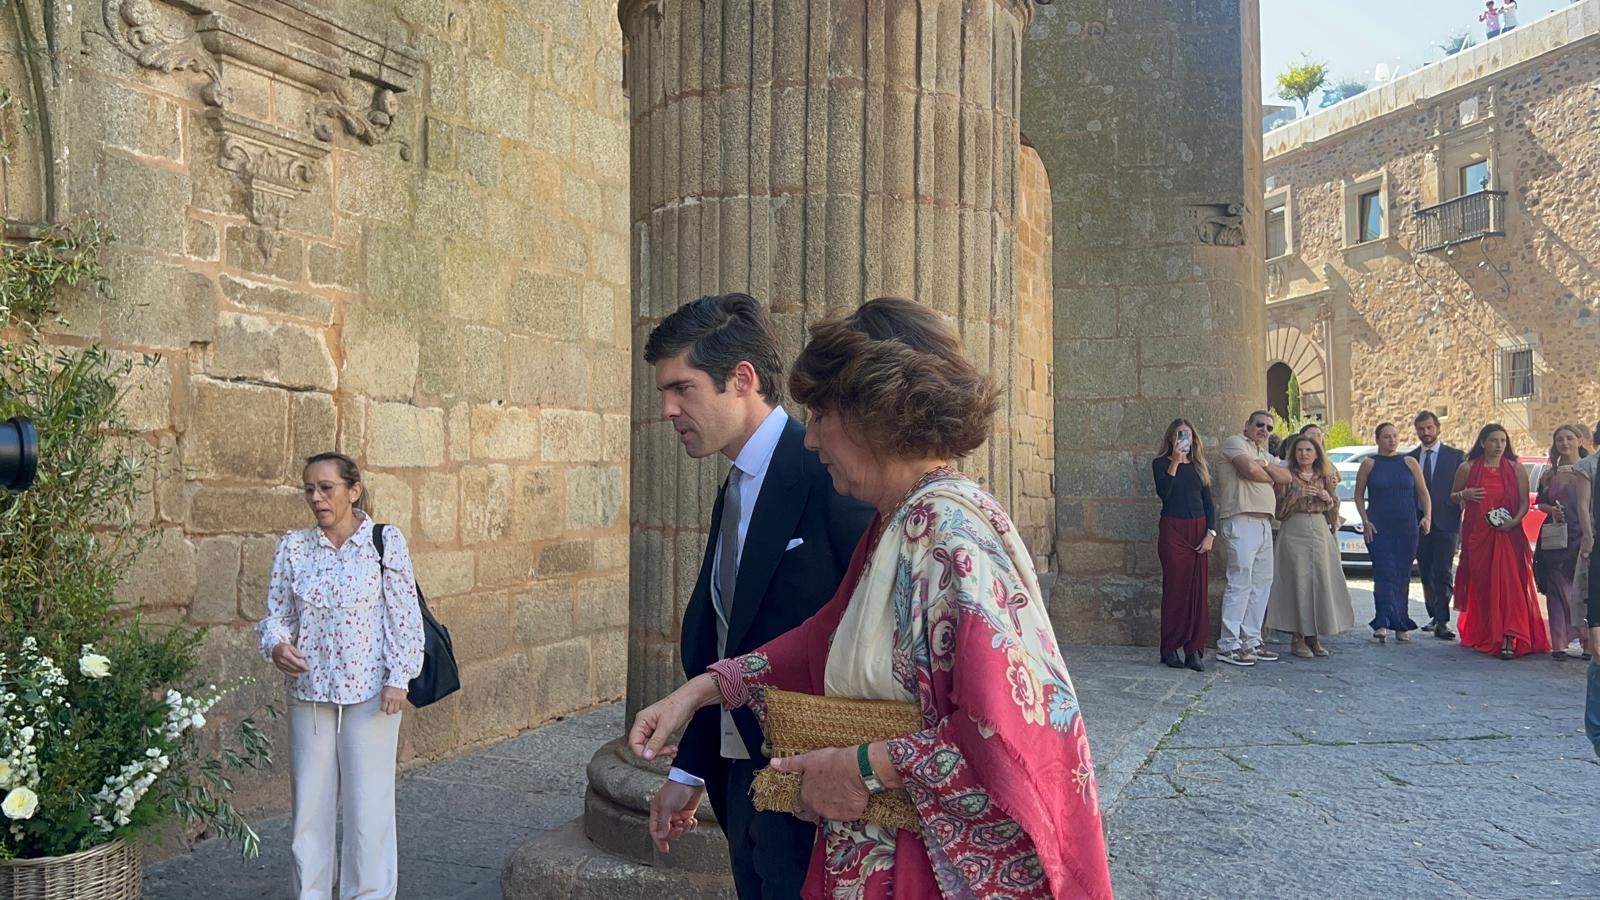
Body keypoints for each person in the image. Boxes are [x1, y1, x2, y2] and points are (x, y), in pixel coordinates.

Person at [629, 298, 1114, 899]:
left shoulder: (949, 538)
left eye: (823, 414)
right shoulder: (899, 524)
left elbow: (1014, 737)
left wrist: (862, 768)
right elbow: (819, 638)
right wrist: (701, 691)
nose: (811, 440)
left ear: (873, 415)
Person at [641, 293, 874, 898]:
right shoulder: (737, 483)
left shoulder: (829, 473)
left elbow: (874, 634)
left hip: (816, 789)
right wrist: (691, 767)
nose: (667, 409)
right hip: (743, 780)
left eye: (682, 388)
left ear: (741, 379)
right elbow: (725, 637)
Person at [256, 452, 425, 900]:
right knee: (309, 808)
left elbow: (404, 615)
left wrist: (399, 676)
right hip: (310, 692)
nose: (316, 497)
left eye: (326, 488)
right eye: (309, 488)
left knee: (368, 809)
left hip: (372, 693)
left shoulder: (383, 542)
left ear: (353, 490)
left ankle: (367, 895)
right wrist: (276, 645)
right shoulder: (292, 547)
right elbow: (277, 615)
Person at [1452, 424, 1549, 659]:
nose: (1499, 446)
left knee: (1510, 585)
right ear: (1483, 443)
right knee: (1484, 586)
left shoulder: (1516, 469)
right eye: (1494, 441)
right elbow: (1452, 496)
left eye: (1503, 441)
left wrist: (1514, 521)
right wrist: (1464, 495)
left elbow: (1525, 502)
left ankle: (1509, 635)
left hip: (1509, 534)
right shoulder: (1468, 467)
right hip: (1478, 534)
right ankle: (1488, 632)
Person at [1212, 411, 1293, 666]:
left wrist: (1265, 466)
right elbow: (1247, 469)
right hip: (1241, 518)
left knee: (1261, 583)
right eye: (1259, 425)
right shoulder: (1235, 442)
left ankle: (1251, 640)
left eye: (1269, 427)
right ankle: (1229, 644)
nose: (1264, 430)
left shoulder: (1263, 453)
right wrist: (1269, 473)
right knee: (1240, 581)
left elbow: (1288, 477)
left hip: (1263, 523)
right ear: (1247, 425)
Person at [1265, 435, 1355, 658]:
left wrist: (1327, 498)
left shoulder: (1324, 476)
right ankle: (1298, 636)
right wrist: (1297, 495)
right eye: (1300, 450)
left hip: (1319, 529)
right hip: (1294, 530)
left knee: (1320, 580)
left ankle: (1314, 635)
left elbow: (1334, 509)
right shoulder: (1287, 476)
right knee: (1298, 582)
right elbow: (1279, 512)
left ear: (1316, 453)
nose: (1304, 454)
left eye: (1308, 450)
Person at [1354, 423, 1431, 642]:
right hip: (1379, 527)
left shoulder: (1409, 462)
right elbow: (1359, 495)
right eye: (1387, 437)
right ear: (1378, 439)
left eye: (1395, 436)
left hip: (1406, 528)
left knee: (1402, 575)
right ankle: (1382, 621)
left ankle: (1400, 621)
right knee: (1384, 573)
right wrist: (1365, 520)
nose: (1392, 440)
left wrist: (1427, 517)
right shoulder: (1369, 464)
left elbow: (1424, 493)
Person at [1151, 419, 1216, 671]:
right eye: (1179, 435)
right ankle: (1169, 647)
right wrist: (1176, 462)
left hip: (1198, 530)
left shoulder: (1200, 467)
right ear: (1171, 439)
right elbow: (1164, 494)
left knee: (1197, 591)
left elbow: (1209, 503)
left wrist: (1211, 533)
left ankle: (1194, 649)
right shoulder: (1161, 464)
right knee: (1176, 587)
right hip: (1173, 530)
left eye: (1187, 435)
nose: (1184, 440)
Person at [1533, 425, 1593, 659]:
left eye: (1569, 438)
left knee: (1583, 589)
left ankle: (1588, 641)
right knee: (1557, 589)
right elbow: (1540, 502)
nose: (1564, 443)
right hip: (1556, 537)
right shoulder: (1549, 474)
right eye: (1560, 439)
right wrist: (1552, 511)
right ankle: (1558, 643)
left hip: (1584, 535)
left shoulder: (1590, 468)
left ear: (1579, 441)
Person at [1409, 410, 1466, 639]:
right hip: (1418, 522)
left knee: (1443, 571)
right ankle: (1434, 614)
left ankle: (1443, 620)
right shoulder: (1411, 458)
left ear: (1438, 428)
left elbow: (1461, 487)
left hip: (1446, 521)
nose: (1426, 432)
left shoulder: (1455, 456)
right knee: (1426, 570)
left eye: (1429, 428)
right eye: (1421, 429)